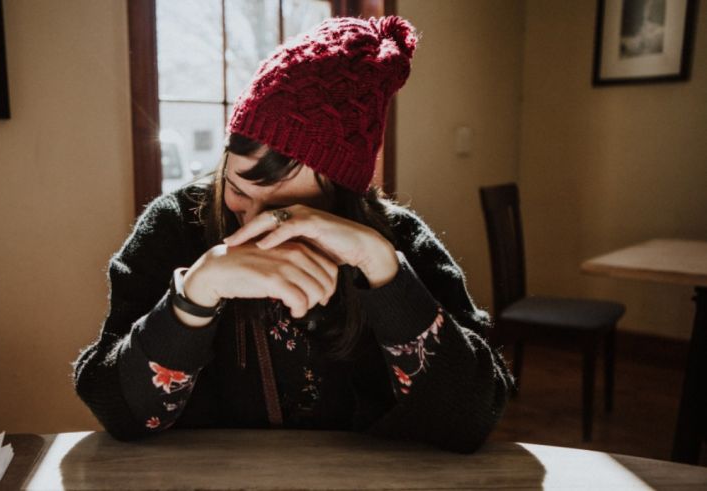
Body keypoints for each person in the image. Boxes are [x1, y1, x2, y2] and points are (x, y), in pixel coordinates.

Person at [73, 15, 513, 454]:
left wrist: (383, 272)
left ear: (343, 202)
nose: (256, 224)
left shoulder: (396, 239)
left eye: (289, 212)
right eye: (240, 189)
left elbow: (468, 422)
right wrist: (195, 293)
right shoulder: (176, 226)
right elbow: (120, 414)